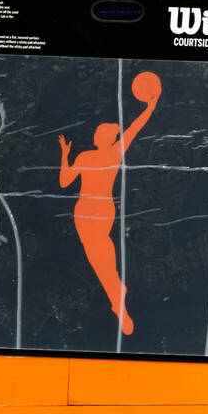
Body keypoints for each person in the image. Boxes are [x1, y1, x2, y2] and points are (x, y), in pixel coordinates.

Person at [58, 74, 161, 336]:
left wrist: (65, 155)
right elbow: (135, 129)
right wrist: (150, 108)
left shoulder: (85, 156)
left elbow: (63, 182)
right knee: (101, 253)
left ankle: (117, 297)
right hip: (103, 210)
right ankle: (116, 294)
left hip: (85, 210)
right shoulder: (114, 153)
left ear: (98, 137)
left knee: (97, 257)